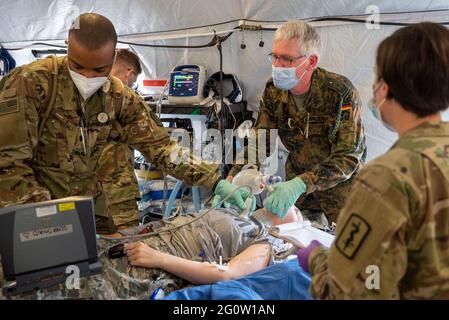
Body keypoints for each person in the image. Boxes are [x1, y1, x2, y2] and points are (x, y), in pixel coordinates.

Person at [0, 13, 222, 234]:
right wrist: (46, 222)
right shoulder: (30, 84)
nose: (87, 76)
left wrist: (213, 179)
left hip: (98, 213)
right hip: (38, 213)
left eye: (99, 70)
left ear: (114, 57)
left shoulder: (118, 97)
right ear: (67, 47)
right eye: (77, 66)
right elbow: (8, 164)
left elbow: (162, 148)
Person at [298, 22, 449, 299]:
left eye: (376, 79)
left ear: (385, 89)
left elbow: (347, 293)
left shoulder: (387, 177)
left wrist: (316, 258)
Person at [214, 21, 367, 224]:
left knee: (345, 249)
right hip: (298, 192)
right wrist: (234, 178)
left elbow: (348, 157)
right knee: (298, 244)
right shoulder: (273, 91)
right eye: (274, 56)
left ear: (311, 62)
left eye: (286, 59)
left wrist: (301, 184)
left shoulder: (340, 93)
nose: (277, 65)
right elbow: (261, 141)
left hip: (341, 192)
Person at [0, 206, 300, 300]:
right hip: (135, 241)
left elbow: (227, 275)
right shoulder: (235, 210)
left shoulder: (266, 242)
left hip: (153, 264)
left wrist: (158, 259)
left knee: (66, 288)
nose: (292, 205)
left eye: (297, 209)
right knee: (30, 262)